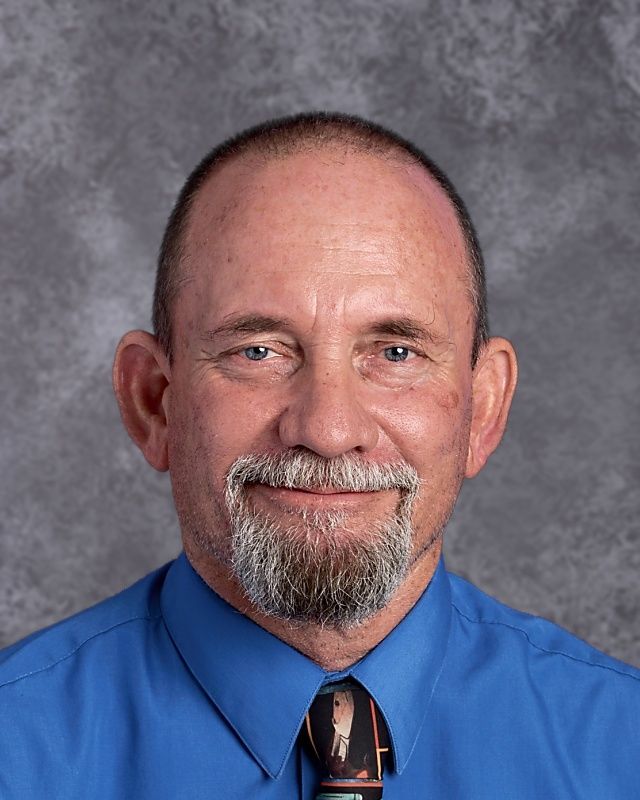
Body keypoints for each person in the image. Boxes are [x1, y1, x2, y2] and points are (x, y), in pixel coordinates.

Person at [1, 112, 638, 798]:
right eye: (259, 351)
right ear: (154, 402)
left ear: (483, 409)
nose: (329, 430)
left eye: (395, 353)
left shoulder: (620, 752)